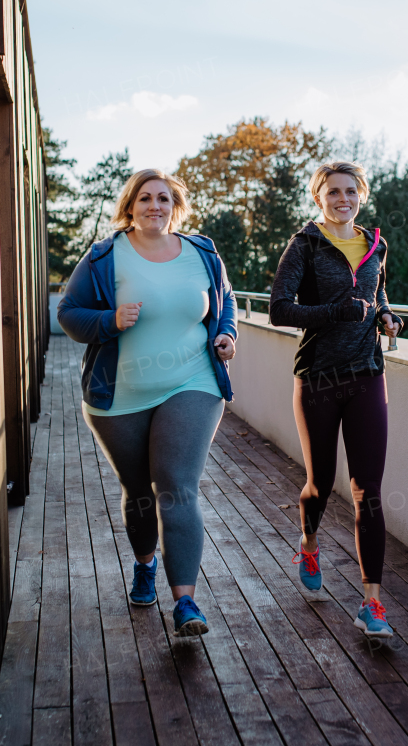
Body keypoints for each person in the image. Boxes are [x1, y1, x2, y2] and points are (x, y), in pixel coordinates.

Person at [57, 168, 237, 637]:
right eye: (145, 198)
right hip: (120, 395)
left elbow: (226, 301)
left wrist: (226, 334)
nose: (154, 205)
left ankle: (186, 602)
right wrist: (111, 320)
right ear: (130, 206)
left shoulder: (202, 252)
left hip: (193, 382)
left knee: (176, 485)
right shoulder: (104, 257)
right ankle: (144, 564)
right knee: (139, 492)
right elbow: (69, 314)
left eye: (163, 198)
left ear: (175, 205)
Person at [269, 161, 403, 638]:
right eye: (333, 192)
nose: (342, 199)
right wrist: (334, 312)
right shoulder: (304, 244)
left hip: (368, 373)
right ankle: (308, 541)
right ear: (319, 197)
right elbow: (279, 309)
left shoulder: (375, 244)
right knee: (320, 484)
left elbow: (378, 294)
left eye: (350, 191)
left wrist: (387, 317)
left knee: (369, 491)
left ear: (361, 196)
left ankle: (372, 604)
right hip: (318, 378)